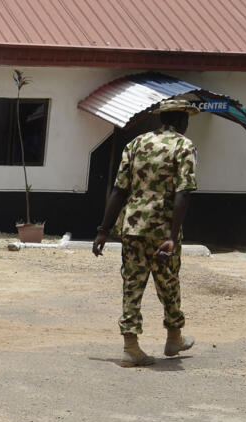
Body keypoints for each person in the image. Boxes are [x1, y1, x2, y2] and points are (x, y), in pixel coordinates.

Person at [93, 99, 200, 366]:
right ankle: (174, 337)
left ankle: (131, 347)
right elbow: (182, 193)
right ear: (182, 120)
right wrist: (172, 237)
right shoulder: (184, 146)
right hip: (163, 229)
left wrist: (103, 230)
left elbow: (118, 190)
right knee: (168, 283)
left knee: (132, 285)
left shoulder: (136, 144)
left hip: (132, 226)